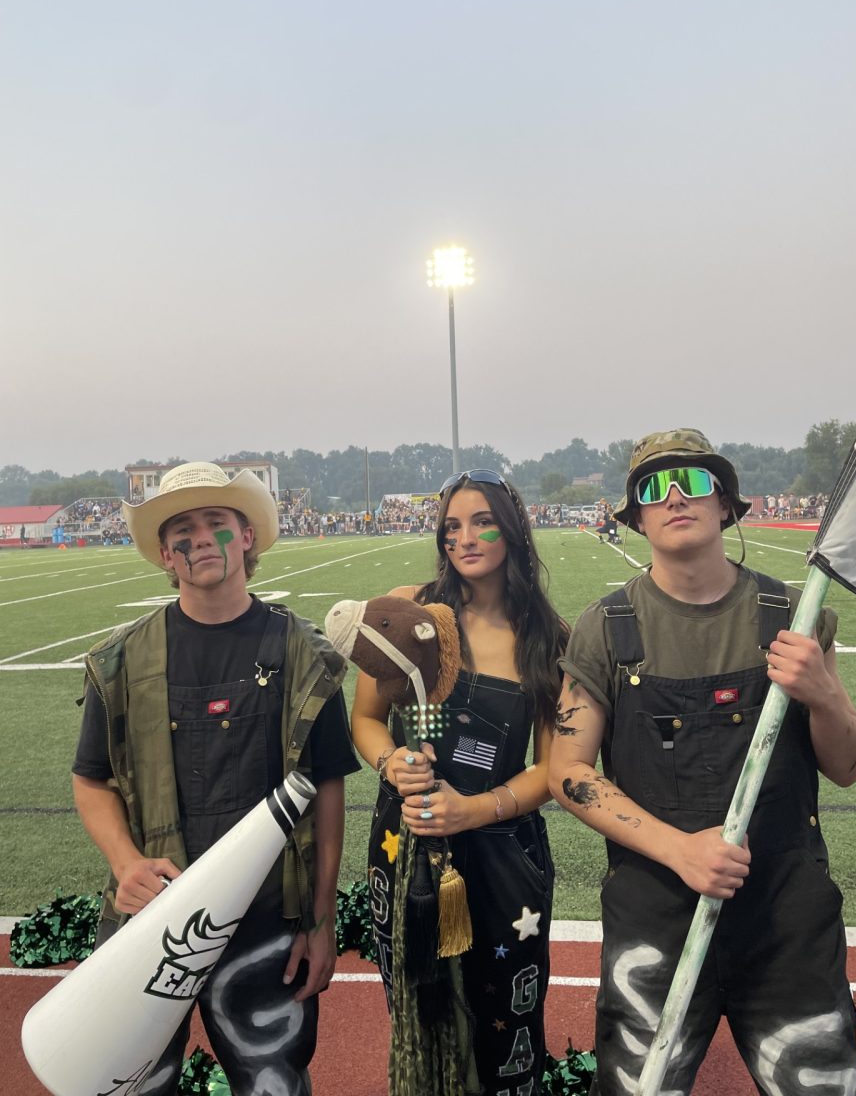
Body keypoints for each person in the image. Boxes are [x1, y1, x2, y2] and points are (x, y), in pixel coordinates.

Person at [548, 429, 856, 1095]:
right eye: (653, 488)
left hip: (787, 919)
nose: (674, 498)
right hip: (655, 920)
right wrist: (679, 850)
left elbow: (847, 765)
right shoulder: (605, 628)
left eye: (692, 482)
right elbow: (568, 771)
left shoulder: (794, 615)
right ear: (634, 517)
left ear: (726, 504)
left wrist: (823, 693)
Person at [72, 462, 359, 1096]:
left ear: (248, 537)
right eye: (182, 529)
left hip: (267, 920)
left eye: (216, 523)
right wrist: (124, 864)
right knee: (137, 1084)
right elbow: (90, 780)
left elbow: (329, 789)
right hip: (151, 925)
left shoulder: (303, 653)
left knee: (272, 1082)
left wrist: (319, 920)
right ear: (166, 555)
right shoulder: (122, 660)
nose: (200, 538)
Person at [352, 469, 569, 1096]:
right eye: (451, 526)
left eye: (481, 522)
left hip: (502, 854)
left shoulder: (548, 639)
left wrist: (471, 811)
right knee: (420, 1012)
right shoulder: (409, 609)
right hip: (408, 844)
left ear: (514, 529)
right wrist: (390, 761)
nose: (464, 537)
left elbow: (553, 772)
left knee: (505, 1017)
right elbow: (365, 719)